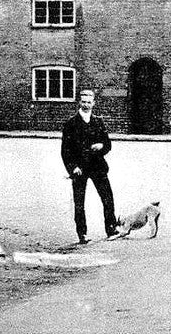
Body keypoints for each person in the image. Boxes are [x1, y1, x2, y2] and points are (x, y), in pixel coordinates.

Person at [61, 89, 118, 244]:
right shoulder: (71, 123)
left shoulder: (98, 121)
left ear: (94, 103)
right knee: (79, 202)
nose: (86, 105)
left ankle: (111, 227)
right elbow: (65, 150)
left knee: (107, 198)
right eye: (83, 102)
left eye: (89, 102)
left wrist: (101, 146)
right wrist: (73, 168)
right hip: (80, 169)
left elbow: (108, 144)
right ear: (79, 102)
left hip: (97, 166)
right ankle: (82, 233)